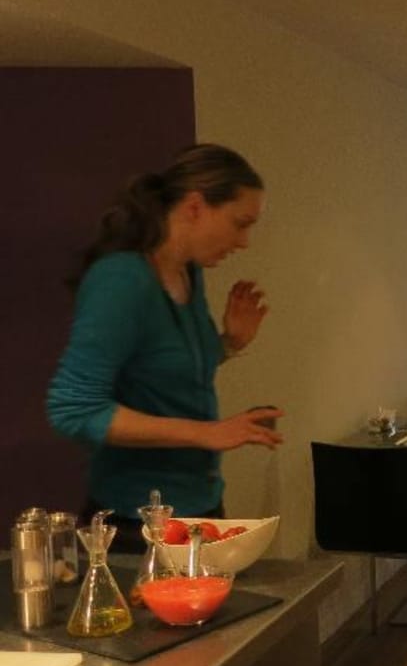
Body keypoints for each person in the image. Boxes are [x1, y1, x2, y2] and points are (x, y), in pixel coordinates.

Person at [47, 144, 283, 543]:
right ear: (195, 207)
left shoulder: (190, 272)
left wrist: (230, 342)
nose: (244, 241)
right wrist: (206, 433)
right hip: (137, 520)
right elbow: (73, 409)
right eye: (239, 223)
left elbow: (165, 371)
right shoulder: (121, 280)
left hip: (198, 504)